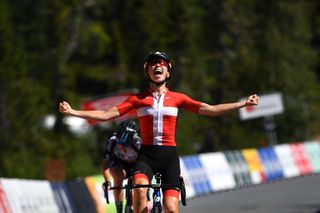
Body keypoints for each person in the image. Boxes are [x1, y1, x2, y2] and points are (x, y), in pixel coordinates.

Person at [59, 51, 259, 213]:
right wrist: (73, 112)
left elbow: (212, 109)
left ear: (168, 72)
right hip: (146, 155)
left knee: (171, 208)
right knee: (138, 191)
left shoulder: (178, 98)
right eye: (153, 63)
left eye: (162, 64)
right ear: (147, 72)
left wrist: (243, 103)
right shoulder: (137, 99)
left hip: (169, 156)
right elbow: (106, 114)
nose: (158, 66)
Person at [102, 120, 141, 213]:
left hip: (135, 163)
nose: (120, 146)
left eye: (125, 145)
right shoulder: (112, 140)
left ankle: (135, 205)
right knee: (118, 175)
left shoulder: (138, 143)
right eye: (119, 142)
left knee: (138, 180)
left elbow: (146, 163)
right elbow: (106, 163)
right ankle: (119, 209)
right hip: (118, 162)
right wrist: (107, 180)